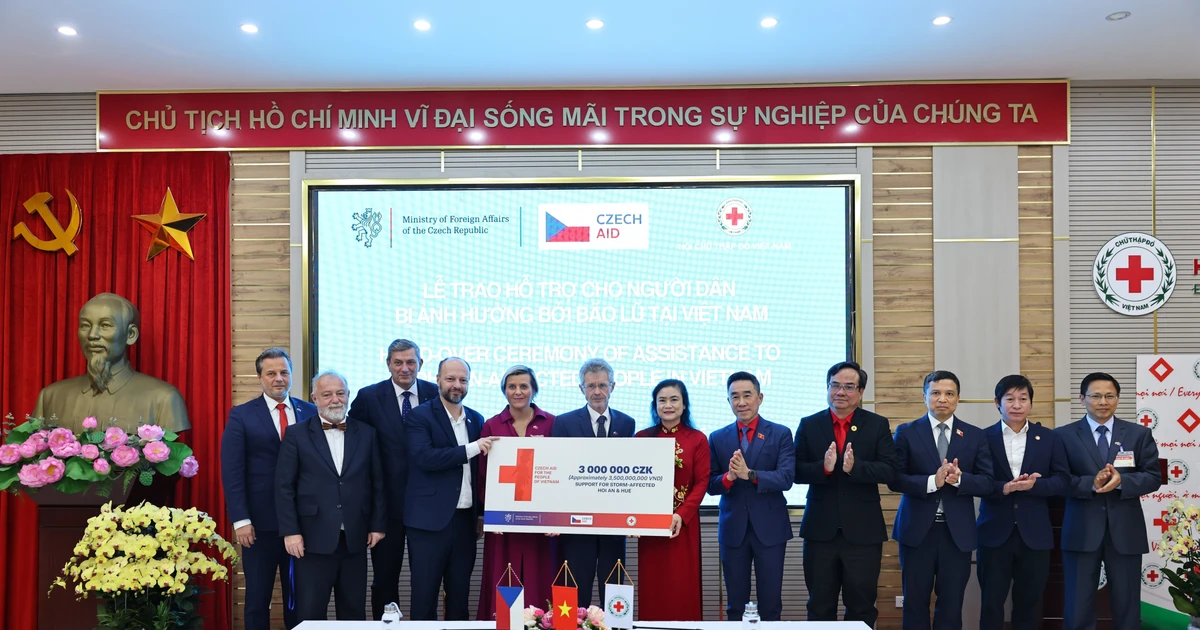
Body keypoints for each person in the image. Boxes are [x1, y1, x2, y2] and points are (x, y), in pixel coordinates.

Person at [275, 371, 386, 623]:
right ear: (315, 398)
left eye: (340, 393)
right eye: (327, 395)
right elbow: (284, 487)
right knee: (310, 613)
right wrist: (290, 531)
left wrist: (378, 525)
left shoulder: (367, 433)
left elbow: (377, 483)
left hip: (356, 539)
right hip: (311, 540)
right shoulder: (296, 434)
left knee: (354, 613)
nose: (335, 400)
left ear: (348, 395)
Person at [793, 360, 897, 627]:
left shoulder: (876, 425)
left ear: (860, 392)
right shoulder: (809, 424)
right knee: (819, 605)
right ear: (827, 388)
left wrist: (856, 468)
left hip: (863, 533)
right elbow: (794, 472)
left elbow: (889, 470)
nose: (841, 392)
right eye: (835, 385)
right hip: (820, 532)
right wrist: (823, 468)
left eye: (849, 386)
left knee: (861, 606)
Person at [220, 348, 316, 630]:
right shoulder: (242, 415)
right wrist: (241, 520)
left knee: (298, 600)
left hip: (302, 524)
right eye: (271, 373)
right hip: (259, 527)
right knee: (258, 600)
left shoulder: (309, 412)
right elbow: (232, 471)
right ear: (259, 376)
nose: (279, 379)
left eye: (284, 372)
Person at [890, 370, 993, 630]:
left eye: (949, 394)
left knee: (951, 603)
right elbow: (895, 479)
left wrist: (959, 479)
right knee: (914, 602)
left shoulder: (974, 435)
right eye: (935, 393)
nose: (942, 399)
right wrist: (931, 482)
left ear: (958, 399)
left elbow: (987, 482)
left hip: (956, 534)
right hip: (917, 532)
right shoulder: (906, 432)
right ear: (924, 396)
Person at [1057, 372, 1161, 630]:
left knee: (1127, 606)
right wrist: (1090, 483)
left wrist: (1123, 482)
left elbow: (1152, 476)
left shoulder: (1138, 434)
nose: (1103, 401)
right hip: (1081, 529)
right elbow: (1058, 480)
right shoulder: (1063, 436)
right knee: (1078, 604)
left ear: (1117, 398)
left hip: (1125, 530)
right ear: (1082, 399)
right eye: (1095, 396)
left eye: (1109, 395)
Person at [346, 338, 438, 619]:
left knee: (428, 579)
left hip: (429, 505)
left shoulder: (437, 394)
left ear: (420, 364)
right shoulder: (368, 397)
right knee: (385, 579)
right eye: (398, 362)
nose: (405, 368)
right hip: (385, 507)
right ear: (388, 364)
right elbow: (355, 446)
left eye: (411, 362)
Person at [976, 374, 1070, 630]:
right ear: (997, 402)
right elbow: (974, 482)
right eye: (1010, 399)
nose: (1016, 405)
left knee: (1029, 603)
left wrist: (1036, 485)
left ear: (1030, 403)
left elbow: (1063, 481)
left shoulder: (1049, 438)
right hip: (994, 532)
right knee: (991, 603)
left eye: (1023, 399)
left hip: (1035, 534)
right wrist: (1003, 488)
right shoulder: (982, 438)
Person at [405, 357, 495, 620]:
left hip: (465, 523)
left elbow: (480, 473)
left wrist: (480, 514)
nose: (457, 385)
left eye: (463, 380)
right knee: (424, 596)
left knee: (460, 596)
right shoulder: (419, 416)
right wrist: (473, 448)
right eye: (451, 379)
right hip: (428, 524)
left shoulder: (476, 419)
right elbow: (425, 458)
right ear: (437, 380)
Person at [33, 292, 189, 433]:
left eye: (105, 325)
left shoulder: (163, 399)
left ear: (130, 334)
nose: (92, 335)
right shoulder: (50, 397)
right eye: (85, 325)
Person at [707, 371, 794, 622]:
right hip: (733, 528)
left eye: (747, 395)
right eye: (735, 396)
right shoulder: (717, 437)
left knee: (770, 604)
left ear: (760, 398)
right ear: (728, 401)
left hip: (770, 529)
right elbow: (711, 484)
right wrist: (729, 478)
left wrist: (750, 474)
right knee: (735, 604)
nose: (741, 402)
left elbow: (786, 478)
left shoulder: (780, 433)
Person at [549, 358, 636, 607]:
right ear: (581, 389)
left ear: (613, 386)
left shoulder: (627, 423)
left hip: (614, 523)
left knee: (615, 589)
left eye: (602, 385)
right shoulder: (564, 423)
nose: (597, 392)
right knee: (575, 590)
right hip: (577, 524)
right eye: (590, 386)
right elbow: (559, 471)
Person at [476, 365, 556, 621]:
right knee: (503, 580)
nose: (518, 392)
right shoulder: (491, 425)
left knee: (540, 576)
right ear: (504, 391)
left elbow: (560, 472)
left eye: (524, 386)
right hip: (504, 523)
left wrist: (557, 517)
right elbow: (482, 474)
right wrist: (490, 514)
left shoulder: (553, 423)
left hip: (542, 524)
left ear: (534, 390)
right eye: (512, 386)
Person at [634, 379, 710, 621]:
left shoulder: (697, 439)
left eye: (674, 399)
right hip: (650, 528)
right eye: (662, 400)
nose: (668, 405)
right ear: (654, 406)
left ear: (684, 404)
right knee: (653, 587)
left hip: (683, 526)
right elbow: (630, 483)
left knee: (682, 586)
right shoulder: (641, 438)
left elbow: (702, 482)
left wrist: (682, 514)